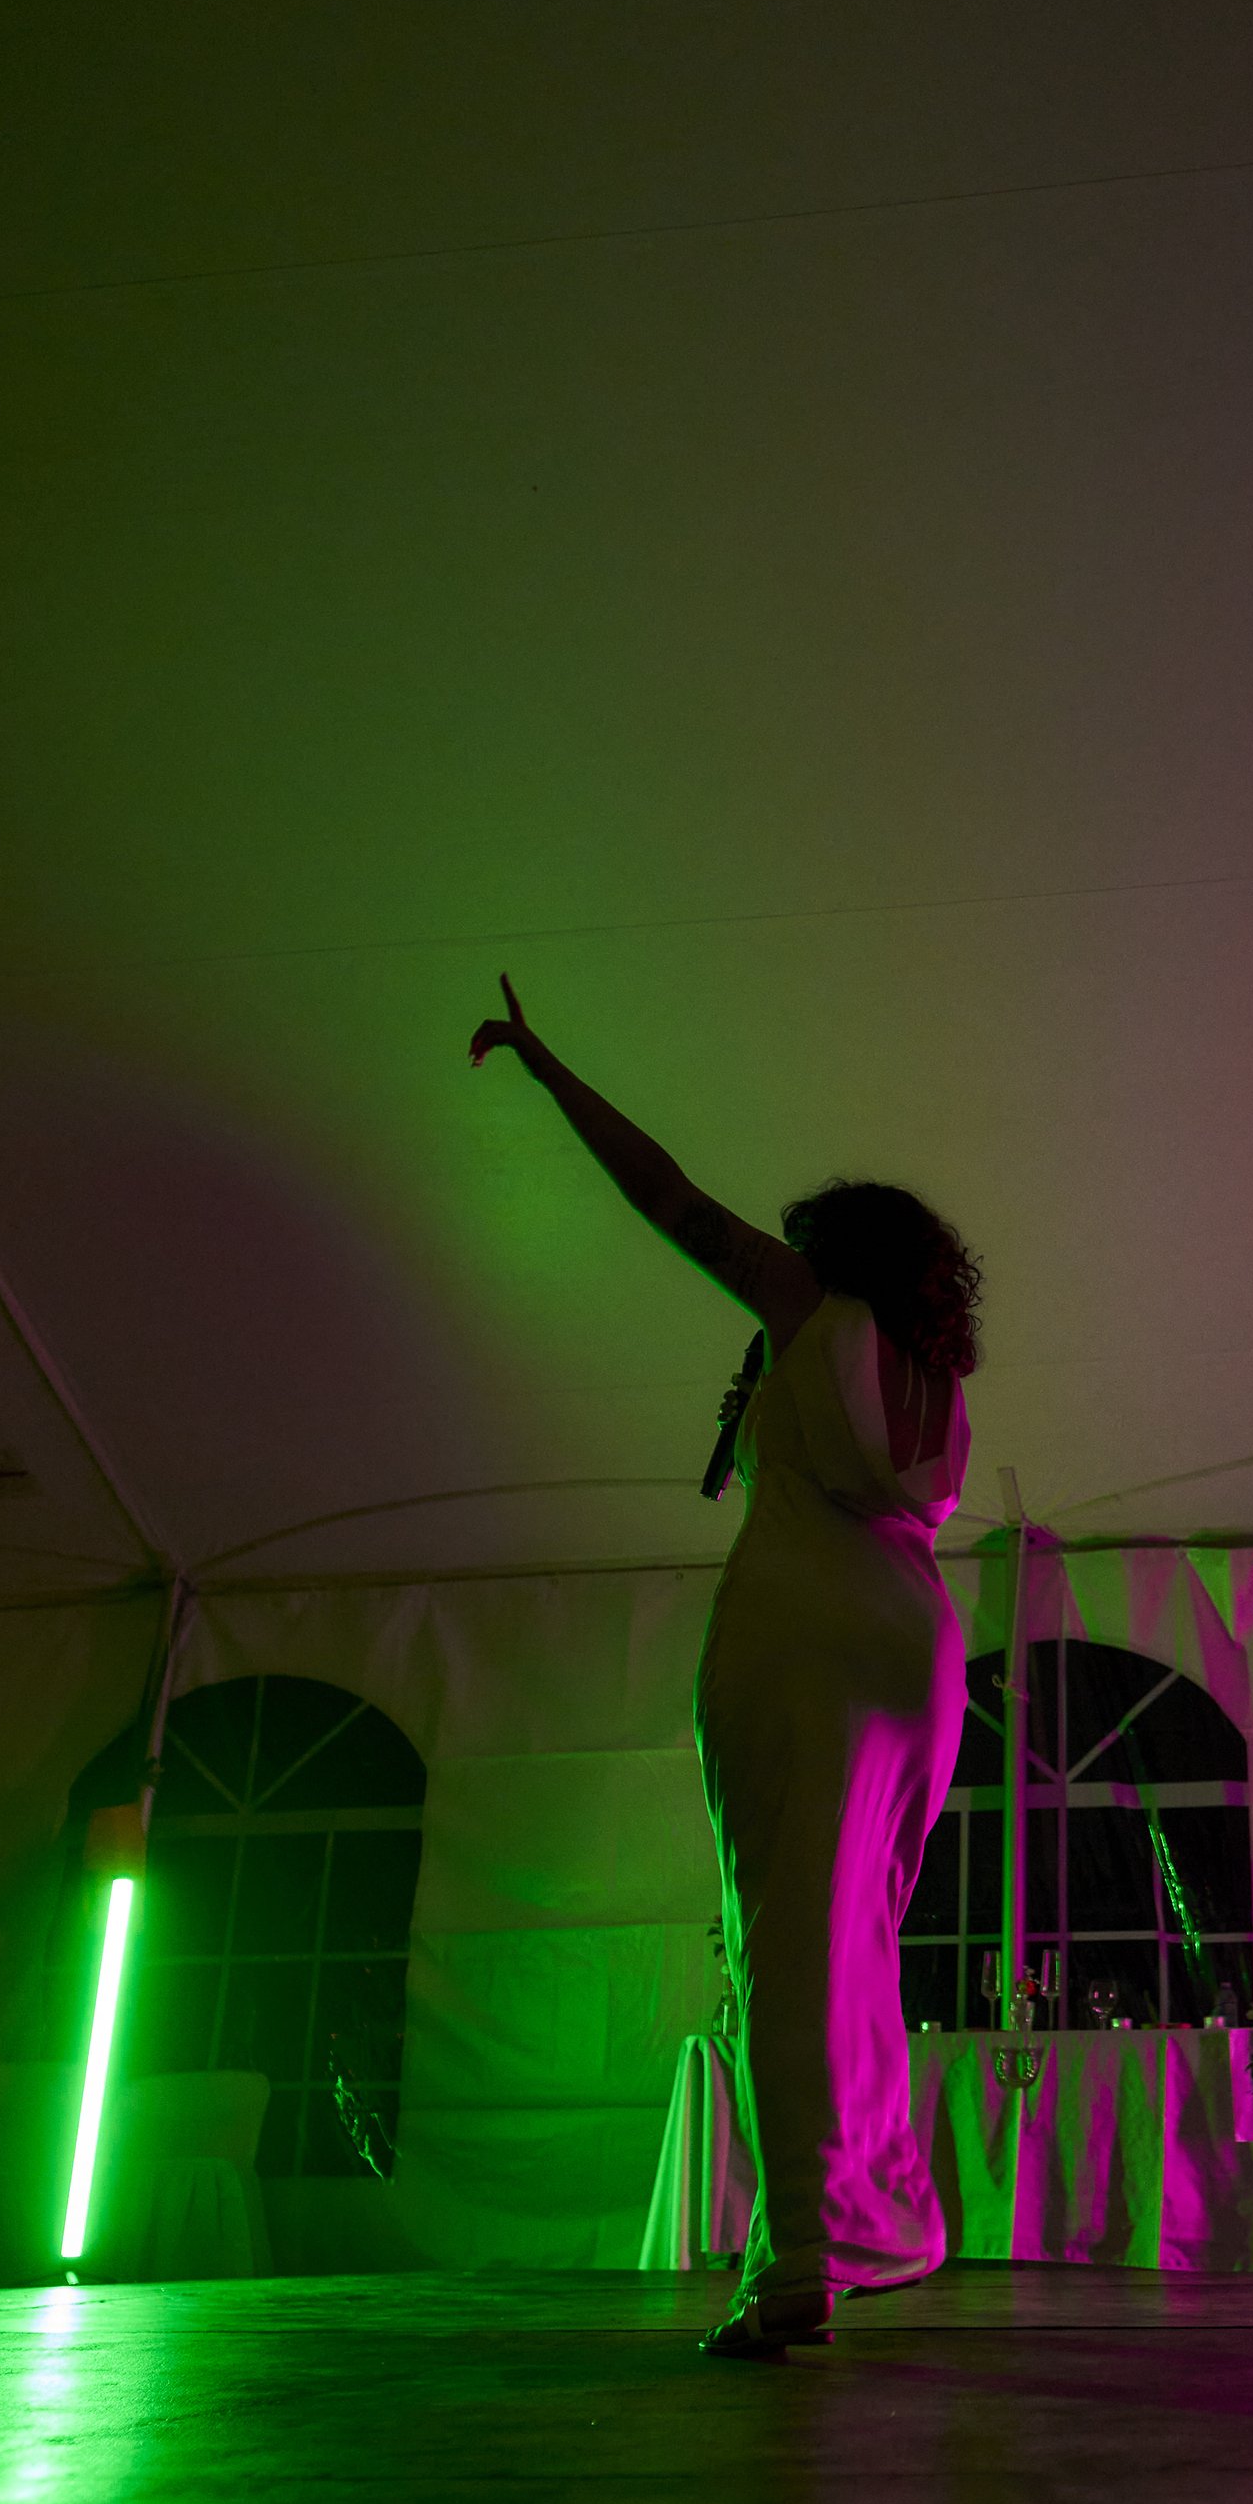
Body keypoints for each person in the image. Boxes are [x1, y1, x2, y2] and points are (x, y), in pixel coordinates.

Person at [469, 977, 978, 2356]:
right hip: (919, 1646)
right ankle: (880, 2213)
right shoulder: (939, 1374)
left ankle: (799, 2258)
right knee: (861, 1946)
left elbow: (668, 1196)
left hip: (804, 1633)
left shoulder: (808, 1298)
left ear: (828, 1246)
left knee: (785, 1943)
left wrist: (547, 1063)